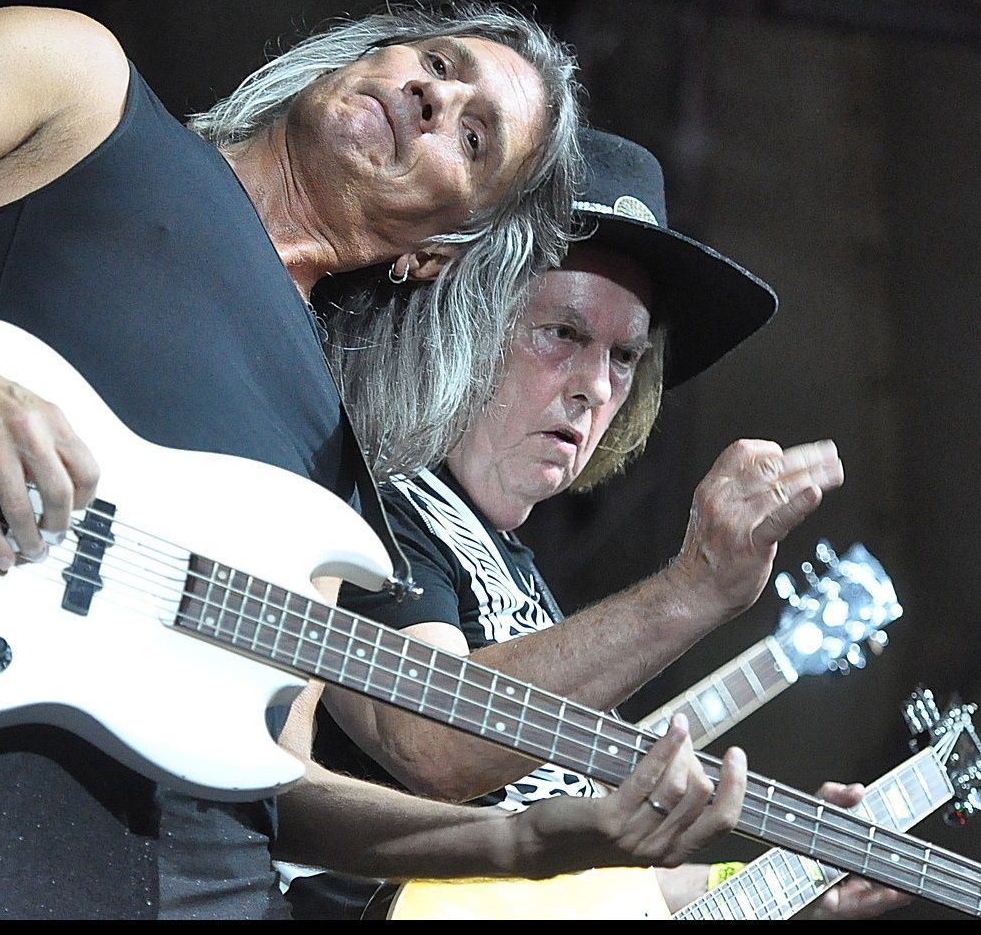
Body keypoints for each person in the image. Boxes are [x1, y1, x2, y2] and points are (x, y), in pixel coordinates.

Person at [0, 0, 746, 920]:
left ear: (440, 252)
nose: (434, 97)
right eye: (437, 62)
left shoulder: (336, 467)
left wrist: (526, 843)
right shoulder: (84, 95)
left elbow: (275, 779)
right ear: (360, 54)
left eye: (473, 138)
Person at [292, 128, 910, 919]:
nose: (596, 386)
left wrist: (795, 882)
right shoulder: (373, 499)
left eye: (624, 356)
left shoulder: (519, 578)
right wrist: (694, 589)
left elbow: (589, 886)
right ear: (463, 320)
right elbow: (432, 738)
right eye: (563, 334)